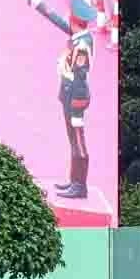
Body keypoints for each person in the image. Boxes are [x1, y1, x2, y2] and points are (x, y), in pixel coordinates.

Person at [54, 33, 93, 200]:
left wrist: (77, 104)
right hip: (68, 95)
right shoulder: (78, 37)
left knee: (78, 142)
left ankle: (80, 185)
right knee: (73, 141)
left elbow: (80, 78)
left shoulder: (82, 45)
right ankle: (74, 180)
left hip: (75, 98)